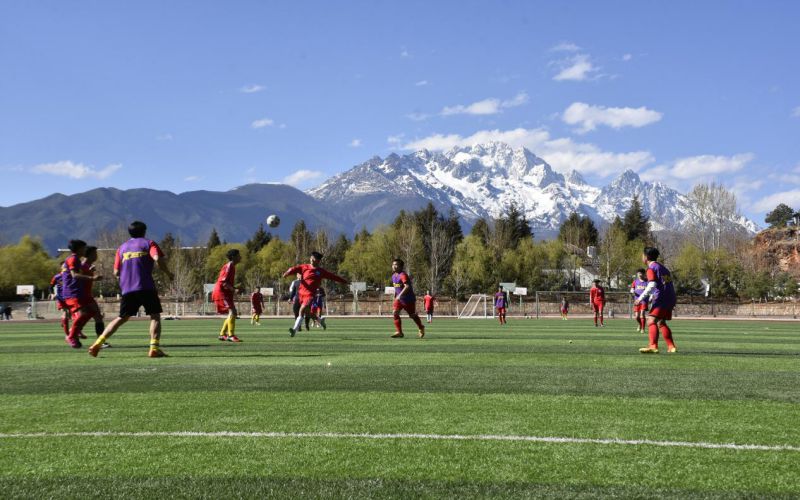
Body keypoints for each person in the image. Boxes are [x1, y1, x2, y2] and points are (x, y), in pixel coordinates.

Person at [88, 221, 174, 358]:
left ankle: (98, 343)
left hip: (127, 288)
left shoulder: (122, 248)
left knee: (121, 318)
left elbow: (116, 272)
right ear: (144, 231)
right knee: (155, 316)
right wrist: (169, 274)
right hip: (146, 286)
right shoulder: (149, 243)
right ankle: (154, 348)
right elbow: (157, 259)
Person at [282, 251, 347, 337]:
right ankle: (320, 320)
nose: (312, 259)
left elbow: (333, 276)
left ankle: (294, 330)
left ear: (318, 261)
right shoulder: (304, 267)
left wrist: (344, 281)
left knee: (301, 310)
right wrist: (287, 273)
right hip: (300, 294)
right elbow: (293, 269)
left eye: (314, 258)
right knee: (308, 313)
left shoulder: (320, 271)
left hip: (309, 295)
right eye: (311, 257)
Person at [636, 247, 678, 354]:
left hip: (662, 298)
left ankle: (653, 346)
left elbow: (652, 284)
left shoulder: (651, 268)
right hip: (670, 297)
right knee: (661, 322)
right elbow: (666, 284)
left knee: (651, 320)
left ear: (646, 257)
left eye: (642, 255)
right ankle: (671, 346)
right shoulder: (664, 268)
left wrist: (640, 298)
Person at [62, 239, 102, 348]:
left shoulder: (77, 260)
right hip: (72, 292)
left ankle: (74, 332)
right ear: (79, 249)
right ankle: (71, 335)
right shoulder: (73, 259)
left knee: (90, 312)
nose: (85, 250)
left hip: (78, 292)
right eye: (84, 248)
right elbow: (74, 275)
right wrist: (92, 278)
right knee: (86, 313)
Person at [390, 258, 425, 338]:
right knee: (395, 313)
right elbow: (397, 288)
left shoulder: (403, 275)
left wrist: (400, 295)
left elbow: (407, 286)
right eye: (393, 264)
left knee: (412, 315)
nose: (394, 266)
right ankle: (399, 332)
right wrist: (396, 296)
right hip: (399, 299)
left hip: (408, 299)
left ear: (401, 267)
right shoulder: (393, 276)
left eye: (396, 265)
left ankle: (421, 327)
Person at [82, 246, 109, 348]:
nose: (96, 255)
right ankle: (100, 342)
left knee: (95, 317)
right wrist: (93, 278)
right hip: (84, 296)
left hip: (87, 295)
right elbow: (78, 280)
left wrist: (93, 272)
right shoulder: (83, 266)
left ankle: (74, 333)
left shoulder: (88, 266)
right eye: (95, 253)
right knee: (97, 317)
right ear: (90, 254)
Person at [213, 249, 242, 342]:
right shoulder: (228, 266)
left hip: (225, 293)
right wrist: (234, 289)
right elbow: (223, 282)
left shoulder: (232, 267)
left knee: (233, 313)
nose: (240, 257)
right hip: (221, 293)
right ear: (233, 257)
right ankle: (231, 335)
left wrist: (233, 287)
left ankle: (222, 334)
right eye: (238, 255)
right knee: (232, 312)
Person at [50, 264, 70, 336]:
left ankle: (63, 322)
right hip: (61, 297)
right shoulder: (57, 276)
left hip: (69, 297)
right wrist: (52, 294)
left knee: (68, 315)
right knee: (66, 313)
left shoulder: (70, 275)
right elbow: (51, 285)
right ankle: (67, 334)